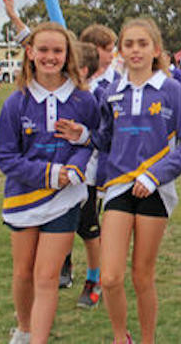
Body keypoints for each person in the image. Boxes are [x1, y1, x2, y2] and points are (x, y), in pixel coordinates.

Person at [91, 18, 181, 344]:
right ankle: (120, 337)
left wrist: (155, 176)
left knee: (142, 276)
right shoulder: (110, 93)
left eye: (142, 43)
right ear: (120, 51)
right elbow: (103, 141)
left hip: (157, 191)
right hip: (118, 188)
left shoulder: (173, 91)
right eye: (129, 44)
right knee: (109, 277)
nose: (136, 50)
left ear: (156, 49)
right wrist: (83, 133)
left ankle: (148, 339)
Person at [0, 22, 99, 344]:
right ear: (30, 52)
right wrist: (50, 174)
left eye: (57, 50)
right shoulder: (16, 102)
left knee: (46, 276)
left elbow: (92, 143)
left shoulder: (84, 100)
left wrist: (75, 169)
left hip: (64, 201)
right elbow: (6, 158)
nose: (50, 57)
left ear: (67, 54)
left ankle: (37, 339)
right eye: (43, 50)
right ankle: (24, 329)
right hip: (22, 200)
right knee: (23, 273)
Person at [56, 24, 120, 291]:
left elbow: (105, 132)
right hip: (62, 165)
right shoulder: (64, 85)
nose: (112, 54)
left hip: (93, 168)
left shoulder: (111, 86)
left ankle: (94, 278)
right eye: (108, 49)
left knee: (89, 226)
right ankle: (64, 265)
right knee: (60, 222)